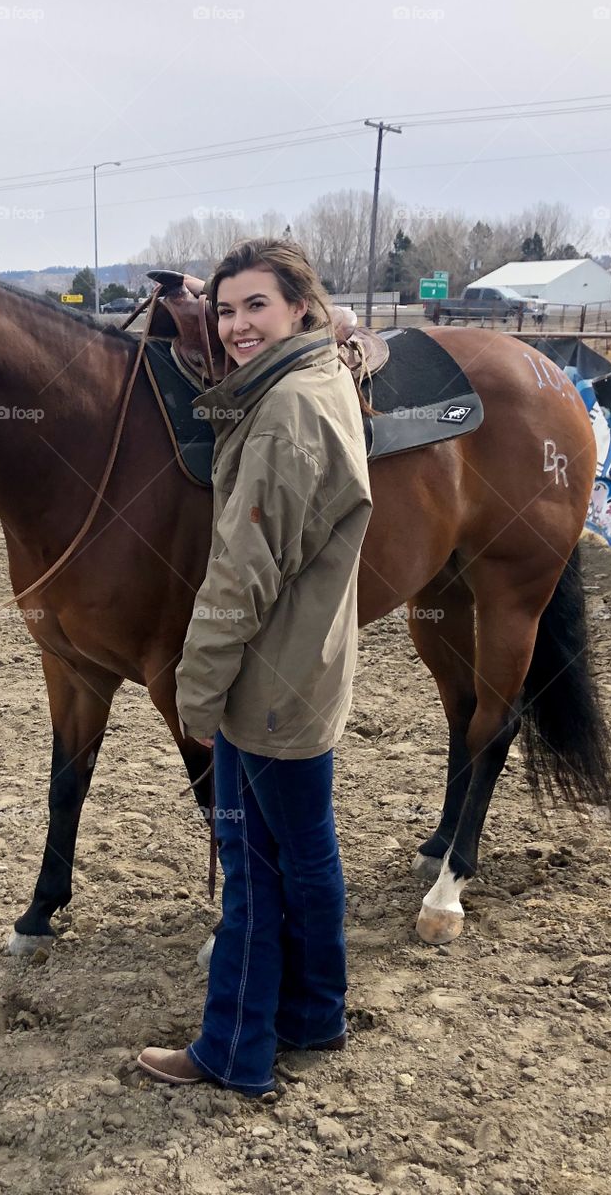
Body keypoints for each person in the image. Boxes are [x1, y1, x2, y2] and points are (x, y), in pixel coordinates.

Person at [137, 238, 373, 1095]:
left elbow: (241, 575)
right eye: (225, 310)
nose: (236, 326)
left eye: (255, 308)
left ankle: (231, 1051)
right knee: (307, 856)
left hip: (268, 687)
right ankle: (315, 1014)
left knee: (251, 871)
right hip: (308, 672)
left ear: (301, 308)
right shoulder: (318, 382)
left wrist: (196, 690)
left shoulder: (282, 415)